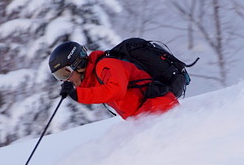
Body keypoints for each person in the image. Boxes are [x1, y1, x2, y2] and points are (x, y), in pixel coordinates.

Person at [48, 41, 178, 119]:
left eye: (65, 74)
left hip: (163, 111)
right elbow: (96, 91)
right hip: (148, 118)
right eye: (59, 76)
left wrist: (78, 94)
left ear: (78, 64)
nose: (65, 80)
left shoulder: (107, 65)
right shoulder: (95, 78)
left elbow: (116, 90)